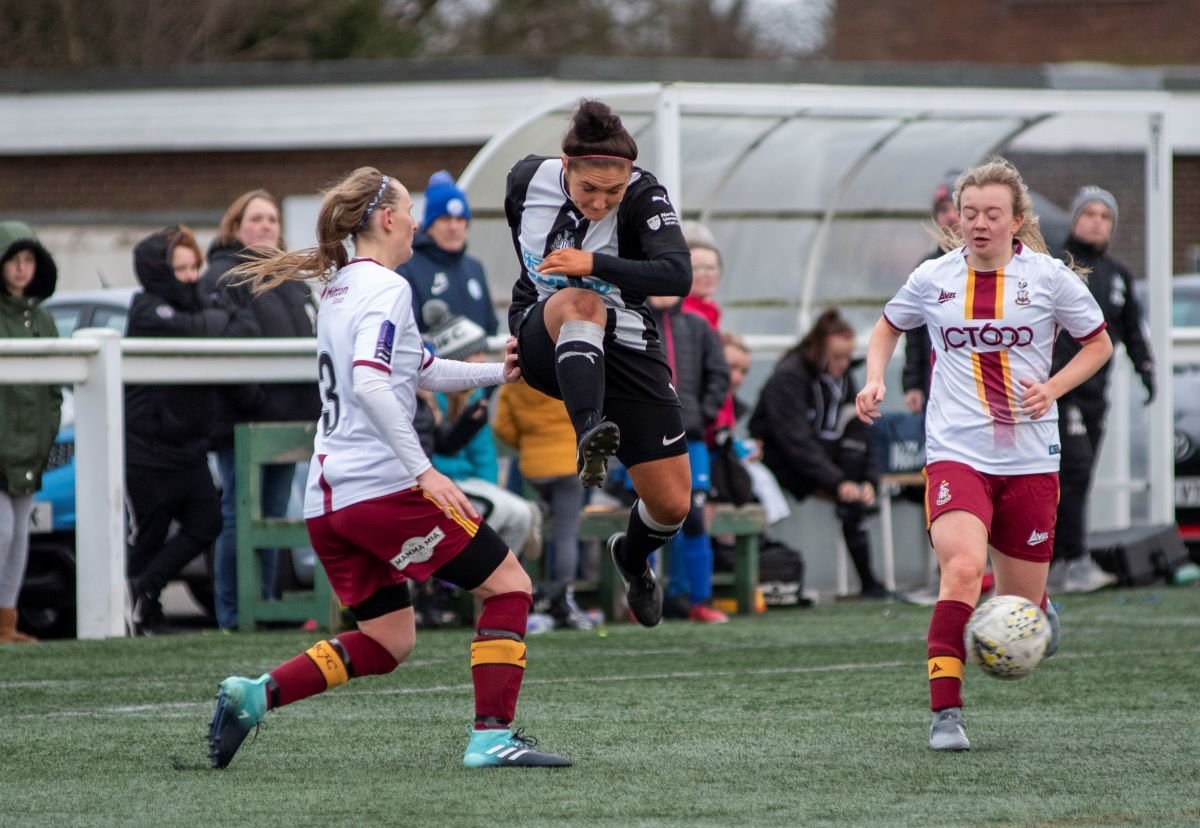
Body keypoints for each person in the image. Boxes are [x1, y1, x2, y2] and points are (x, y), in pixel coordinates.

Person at [206, 167, 569, 770]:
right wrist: (424, 470)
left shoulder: (343, 288)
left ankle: (254, 695)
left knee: (389, 641)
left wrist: (494, 373)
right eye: (412, 210)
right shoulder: (386, 289)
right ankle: (491, 738)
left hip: (330, 502)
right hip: (381, 489)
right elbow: (375, 384)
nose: (420, 223)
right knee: (510, 587)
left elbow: (417, 367)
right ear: (387, 218)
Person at [854, 157, 1113, 752]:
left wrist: (1051, 388)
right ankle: (946, 714)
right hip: (955, 452)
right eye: (969, 213)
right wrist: (874, 379)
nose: (978, 223)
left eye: (992, 214)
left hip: (1030, 458)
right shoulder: (934, 278)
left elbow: (1098, 345)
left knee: (1020, 605)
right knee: (965, 570)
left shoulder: (1049, 278)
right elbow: (887, 327)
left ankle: (1039, 607)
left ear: (1017, 220)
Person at [504, 99, 693, 627]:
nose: (602, 201)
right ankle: (591, 432)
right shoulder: (524, 180)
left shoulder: (644, 195)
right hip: (553, 332)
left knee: (674, 503)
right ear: (566, 166)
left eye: (614, 189)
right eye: (590, 189)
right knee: (579, 303)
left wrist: (595, 262)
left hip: (626, 340)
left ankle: (631, 558)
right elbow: (526, 262)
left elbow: (678, 275)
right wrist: (522, 324)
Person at [201, 189, 321, 632]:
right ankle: (234, 614)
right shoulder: (224, 276)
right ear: (235, 227)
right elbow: (225, 351)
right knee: (240, 515)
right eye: (257, 218)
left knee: (275, 516)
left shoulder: (291, 278)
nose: (267, 226)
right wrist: (255, 401)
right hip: (243, 424)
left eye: (272, 218)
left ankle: (265, 606)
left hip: (291, 422)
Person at [125, 226, 235, 635]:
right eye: (180, 268)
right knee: (148, 536)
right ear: (159, 271)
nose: (190, 276)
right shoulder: (147, 310)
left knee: (207, 522)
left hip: (188, 447)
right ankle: (136, 613)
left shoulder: (198, 303)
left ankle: (147, 588)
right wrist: (218, 315)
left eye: (194, 267)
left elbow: (224, 324)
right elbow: (205, 328)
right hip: (147, 449)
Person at [1050, 186, 1154, 594]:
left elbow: (1131, 331)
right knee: (1071, 469)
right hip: (1060, 390)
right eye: (1089, 213)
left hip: (1097, 393)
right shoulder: (1056, 266)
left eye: (1104, 216)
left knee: (1081, 474)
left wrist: (1146, 369)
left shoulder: (1118, 276)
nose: (1096, 221)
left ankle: (1062, 559)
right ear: (1074, 219)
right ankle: (1070, 561)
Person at [749, 308, 889, 599]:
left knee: (855, 454)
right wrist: (838, 483)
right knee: (846, 484)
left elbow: (860, 430)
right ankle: (864, 577)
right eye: (837, 357)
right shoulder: (789, 376)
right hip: (781, 460)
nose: (844, 364)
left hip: (820, 458)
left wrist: (868, 482)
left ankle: (870, 584)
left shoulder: (843, 377)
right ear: (819, 350)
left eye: (847, 357)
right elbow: (795, 443)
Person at [420, 300, 541, 561]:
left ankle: (497, 570)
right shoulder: (432, 399)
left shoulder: (475, 401)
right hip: (443, 484)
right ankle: (471, 574)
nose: (482, 360)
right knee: (498, 511)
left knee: (513, 511)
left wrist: (488, 487)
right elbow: (435, 451)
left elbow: (484, 455)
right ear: (456, 362)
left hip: (471, 484)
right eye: (475, 355)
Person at [646, 292, 730, 622]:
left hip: (691, 440)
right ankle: (645, 602)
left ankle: (698, 600)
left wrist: (702, 415)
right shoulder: (632, 323)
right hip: (647, 440)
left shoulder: (698, 326)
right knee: (650, 517)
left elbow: (719, 374)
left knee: (693, 518)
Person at [0, 222, 62, 644]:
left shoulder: (42, 318)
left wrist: (45, 438)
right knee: (3, 530)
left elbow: (53, 388)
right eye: (14, 260)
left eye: (29, 261)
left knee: (21, 534)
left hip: (30, 449)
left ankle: (7, 622)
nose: (22, 270)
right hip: (3, 447)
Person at [493, 378, 592, 630]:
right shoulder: (565, 372)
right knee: (565, 534)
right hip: (569, 461)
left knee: (542, 518)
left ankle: (540, 511)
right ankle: (562, 597)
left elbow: (502, 426)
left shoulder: (515, 381)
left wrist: (528, 443)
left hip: (534, 466)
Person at [398, 170, 498, 336]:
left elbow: (491, 327)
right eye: (445, 219)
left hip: (481, 362)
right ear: (429, 224)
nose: (454, 227)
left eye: (460, 219)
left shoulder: (475, 268)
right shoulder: (407, 267)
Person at [902, 175, 962, 415]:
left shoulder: (997, 264)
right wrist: (913, 383)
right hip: (936, 385)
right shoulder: (928, 269)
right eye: (942, 210)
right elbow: (911, 328)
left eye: (956, 208)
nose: (950, 216)